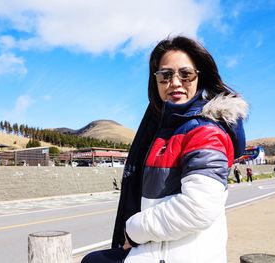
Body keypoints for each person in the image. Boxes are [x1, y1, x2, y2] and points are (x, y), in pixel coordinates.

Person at [81, 36, 248, 263]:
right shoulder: (165, 130)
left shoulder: (204, 131)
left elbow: (198, 208)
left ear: (200, 77)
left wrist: (134, 230)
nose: (175, 82)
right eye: (165, 75)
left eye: (185, 74)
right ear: (156, 81)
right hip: (159, 250)